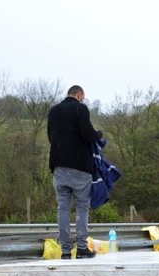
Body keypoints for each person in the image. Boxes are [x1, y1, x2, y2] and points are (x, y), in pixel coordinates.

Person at [47, 85, 103, 259]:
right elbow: (87, 133)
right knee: (81, 209)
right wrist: (99, 134)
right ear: (79, 95)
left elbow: (50, 137)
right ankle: (81, 248)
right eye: (83, 97)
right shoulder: (80, 108)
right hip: (80, 167)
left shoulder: (53, 111)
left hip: (58, 167)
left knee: (62, 209)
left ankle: (64, 250)